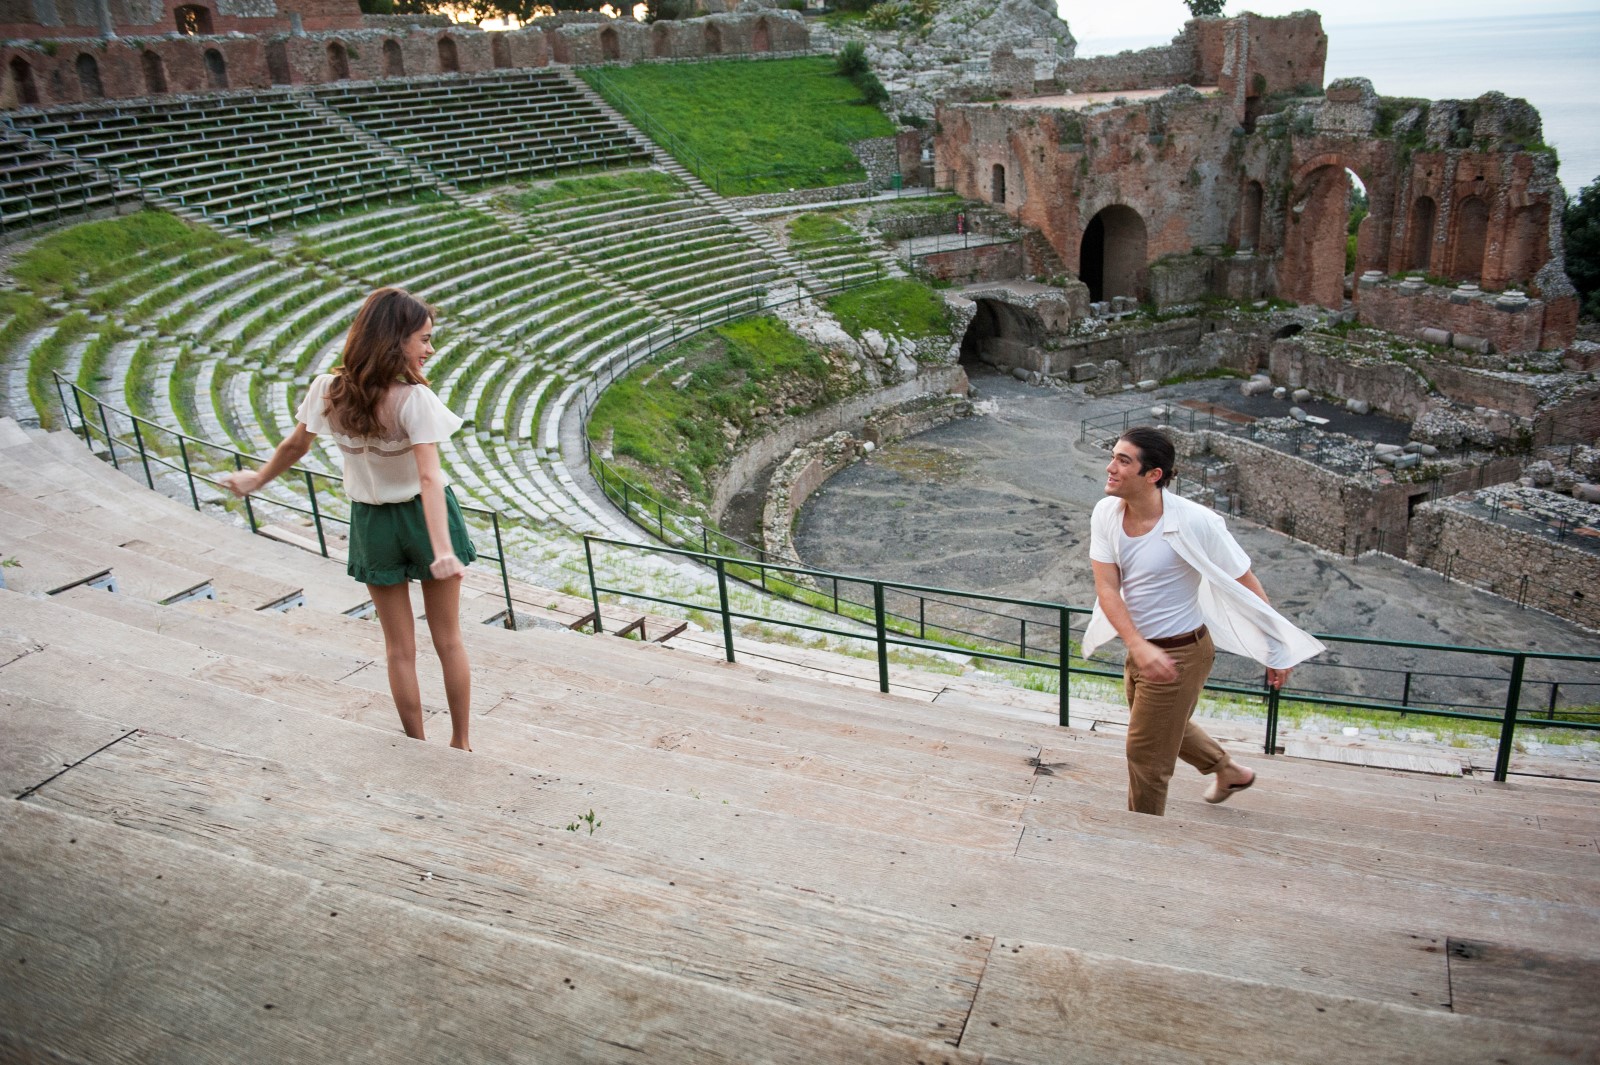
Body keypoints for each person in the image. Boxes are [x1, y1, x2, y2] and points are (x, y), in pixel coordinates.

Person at [222, 287, 477, 751]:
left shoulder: (327, 389)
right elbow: (428, 477)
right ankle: (460, 744)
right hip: (426, 520)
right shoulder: (414, 400)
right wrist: (442, 549)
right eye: (423, 338)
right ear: (394, 340)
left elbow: (295, 446)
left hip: (372, 523)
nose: (430, 349)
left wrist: (256, 480)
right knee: (449, 640)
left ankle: (419, 743)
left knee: (399, 648)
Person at [1083, 426, 1324, 815]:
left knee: (1145, 752)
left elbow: (1244, 580)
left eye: (1122, 460)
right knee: (1163, 730)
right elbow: (1107, 590)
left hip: (1181, 654)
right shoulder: (1105, 513)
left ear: (1153, 474)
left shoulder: (1198, 521)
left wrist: (1276, 647)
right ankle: (1228, 771)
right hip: (1142, 651)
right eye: (1113, 456)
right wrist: (1138, 647)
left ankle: (1142, 843)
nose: (1110, 467)